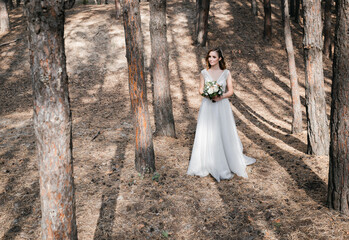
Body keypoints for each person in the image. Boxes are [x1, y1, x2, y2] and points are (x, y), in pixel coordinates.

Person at [187, 48, 255, 182]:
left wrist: (220, 96)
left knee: (223, 131)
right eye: (209, 57)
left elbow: (230, 91)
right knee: (207, 132)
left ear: (219, 59)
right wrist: (208, 93)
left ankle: (227, 160)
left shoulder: (226, 73)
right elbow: (200, 90)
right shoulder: (204, 73)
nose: (211, 59)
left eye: (213, 57)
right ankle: (206, 161)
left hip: (222, 106)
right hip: (208, 106)